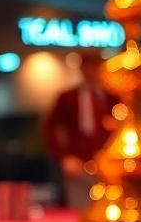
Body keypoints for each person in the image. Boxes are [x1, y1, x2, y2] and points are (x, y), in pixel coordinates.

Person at [42, 51, 115, 209]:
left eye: (95, 67)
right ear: (81, 69)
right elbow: (50, 128)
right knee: (78, 210)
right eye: (87, 67)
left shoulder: (112, 97)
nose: (91, 72)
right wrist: (64, 157)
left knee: (107, 209)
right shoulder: (67, 97)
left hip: (106, 165)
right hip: (77, 164)